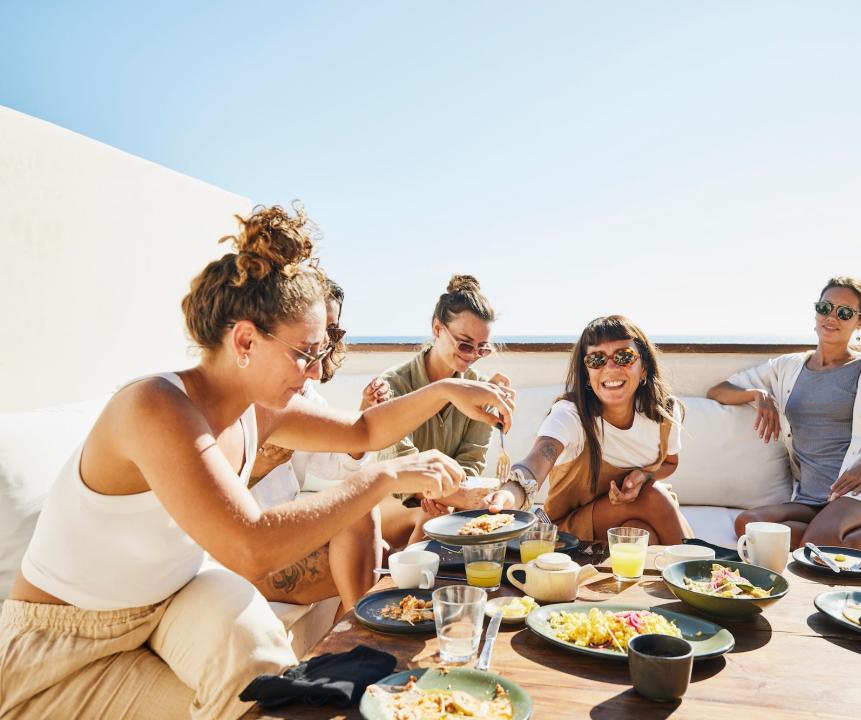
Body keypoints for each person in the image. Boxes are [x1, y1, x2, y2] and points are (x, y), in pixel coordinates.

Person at [0, 205, 514, 720]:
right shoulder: (154, 407)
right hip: (65, 641)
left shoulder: (258, 410)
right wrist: (382, 475)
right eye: (305, 353)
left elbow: (364, 429)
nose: (315, 369)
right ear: (245, 340)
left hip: (169, 601)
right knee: (262, 698)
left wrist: (449, 388)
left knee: (270, 673)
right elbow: (251, 546)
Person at [707, 276, 861, 552]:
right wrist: (757, 393)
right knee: (750, 526)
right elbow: (718, 390)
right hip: (811, 498)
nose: (831, 317)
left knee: (818, 543)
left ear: (859, 322)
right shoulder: (788, 367)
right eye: (825, 307)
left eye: (844, 313)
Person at [246, 278, 390, 611]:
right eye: (311, 341)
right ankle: (359, 639)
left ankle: (345, 646)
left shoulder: (306, 397)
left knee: (373, 539)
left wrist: (361, 422)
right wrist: (261, 465)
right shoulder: (245, 399)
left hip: (282, 537)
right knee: (374, 551)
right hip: (245, 552)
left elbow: (333, 464)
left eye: (333, 334)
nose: (322, 348)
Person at [495, 315, 692, 545]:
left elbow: (669, 462)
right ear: (587, 373)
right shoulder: (570, 415)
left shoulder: (663, 413)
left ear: (644, 367)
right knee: (653, 496)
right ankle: (707, 573)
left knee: (636, 532)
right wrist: (509, 494)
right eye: (596, 359)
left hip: (642, 517)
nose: (610, 367)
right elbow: (536, 462)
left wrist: (644, 475)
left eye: (624, 357)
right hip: (573, 528)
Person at [376, 274, 514, 549]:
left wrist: (446, 494)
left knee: (447, 515)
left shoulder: (482, 388)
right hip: (389, 501)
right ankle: (405, 589)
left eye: (482, 348)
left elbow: (472, 461)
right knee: (436, 517)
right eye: (464, 344)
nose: (471, 355)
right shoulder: (393, 384)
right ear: (437, 329)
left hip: (445, 500)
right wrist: (452, 495)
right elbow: (400, 465)